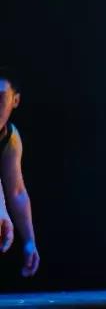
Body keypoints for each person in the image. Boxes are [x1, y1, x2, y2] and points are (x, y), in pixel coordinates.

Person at [0, 68, 39, 278]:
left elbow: (16, 191)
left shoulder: (10, 138)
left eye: (0, 98)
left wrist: (29, 241)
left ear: (15, 101)